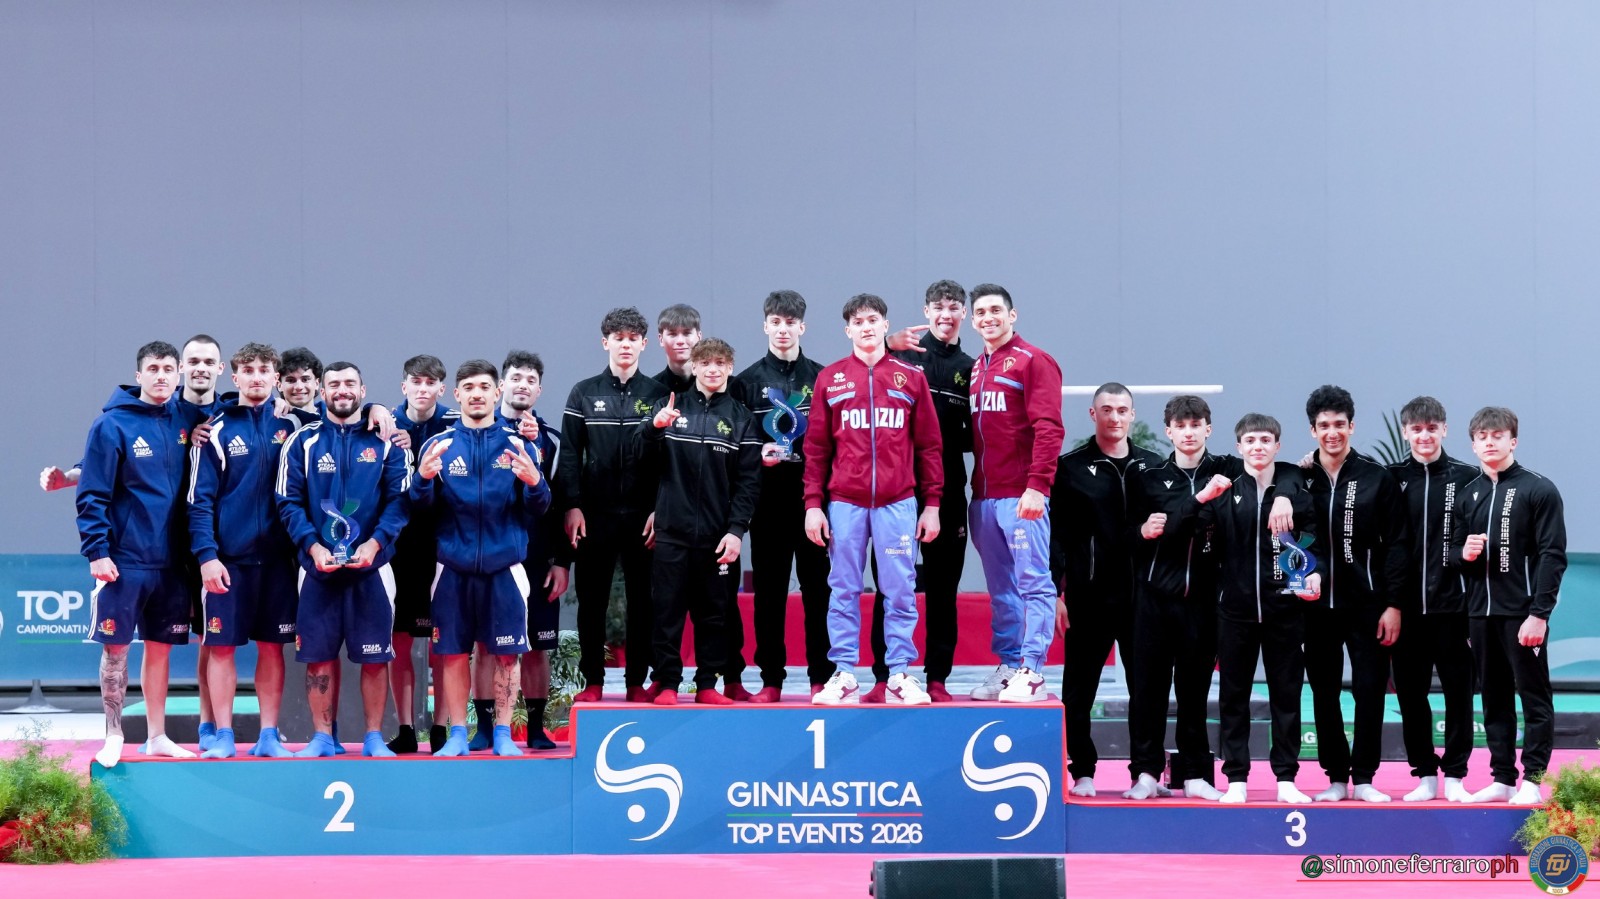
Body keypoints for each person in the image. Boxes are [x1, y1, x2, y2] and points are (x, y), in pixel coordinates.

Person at [1120, 394, 1297, 800]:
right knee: (1147, 691)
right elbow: (1129, 535)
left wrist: (1286, 492)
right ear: (1169, 432)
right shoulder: (1150, 476)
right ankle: (1145, 773)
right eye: (1180, 426)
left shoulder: (1227, 469)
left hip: (1202, 602)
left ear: (1208, 429)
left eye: (1195, 425)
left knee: (1195, 691)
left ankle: (1197, 773)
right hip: (1153, 599)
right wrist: (1143, 531)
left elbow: (1278, 469)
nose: (1188, 432)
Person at [805, 295, 943, 705]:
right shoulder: (830, 379)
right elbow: (816, 449)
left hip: (897, 503)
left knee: (899, 590)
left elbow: (929, 446)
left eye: (873, 320)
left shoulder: (910, 378)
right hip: (844, 503)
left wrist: (932, 504)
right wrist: (813, 505)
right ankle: (844, 674)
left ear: (885, 326)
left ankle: (899, 674)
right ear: (847, 330)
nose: (866, 327)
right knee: (843, 589)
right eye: (858, 321)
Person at [1175, 413, 1320, 804]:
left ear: (1277, 445)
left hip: (1284, 610)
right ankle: (1236, 778)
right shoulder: (1225, 490)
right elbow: (1198, 537)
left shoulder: (1294, 490)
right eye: (1251, 440)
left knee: (1286, 697)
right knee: (1233, 698)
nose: (1258, 447)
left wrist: (1314, 574)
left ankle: (1286, 779)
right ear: (1239, 447)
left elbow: (1312, 541)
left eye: (1265, 440)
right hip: (1234, 612)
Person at [411, 360, 550, 756]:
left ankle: (503, 733)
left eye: (484, 387)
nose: (476, 394)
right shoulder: (437, 445)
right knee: (454, 653)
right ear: (457, 395)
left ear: (497, 392)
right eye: (469, 387)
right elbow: (419, 509)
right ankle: (458, 733)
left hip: (504, 567)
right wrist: (421, 480)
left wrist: (535, 483)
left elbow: (540, 506)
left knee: (507, 654)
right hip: (452, 568)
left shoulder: (518, 444)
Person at [276, 362, 411, 757]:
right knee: (318, 657)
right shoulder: (301, 442)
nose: (342, 390)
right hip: (317, 570)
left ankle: (373, 737)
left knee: (375, 658)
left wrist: (375, 544)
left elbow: (400, 501)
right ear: (322, 392)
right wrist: (312, 547)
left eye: (350, 383)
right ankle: (322, 737)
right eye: (334, 384)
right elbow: (287, 502)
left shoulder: (386, 442)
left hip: (372, 570)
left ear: (363, 390)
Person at [77, 341, 199, 767]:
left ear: (178, 374)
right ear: (139, 374)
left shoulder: (187, 418)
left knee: (160, 649)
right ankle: (113, 734)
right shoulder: (111, 425)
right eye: (153, 368)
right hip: (124, 559)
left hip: (173, 562)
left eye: (168, 368)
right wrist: (97, 551)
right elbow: (92, 493)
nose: (161, 376)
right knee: (116, 651)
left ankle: (157, 735)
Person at [186, 342, 305, 758]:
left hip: (279, 562)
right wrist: (207, 556)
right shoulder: (214, 430)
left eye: (264, 370)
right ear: (234, 377)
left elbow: (344, 416)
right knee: (221, 648)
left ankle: (268, 735)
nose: (256, 377)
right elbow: (198, 501)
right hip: (228, 562)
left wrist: (377, 410)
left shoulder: (294, 427)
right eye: (248, 370)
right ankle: (223, 735)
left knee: (273, 648)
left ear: (276, 378)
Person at [865, 279, 974, 703]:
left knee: (944, 590)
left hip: (948, 493)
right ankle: (885, 676)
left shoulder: (972, 367)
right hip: (896, 490)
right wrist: (885, 346)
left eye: (954, 307)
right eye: (938, 307)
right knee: (890, 587)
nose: (946, 315)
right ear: (927, 311)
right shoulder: (901, 354)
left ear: (963, 314)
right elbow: (858, 372)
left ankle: (937, 678)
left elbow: (976, 435)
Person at [1451, 407, 1566, 806]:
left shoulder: (1539, 489)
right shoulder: (1469, 494)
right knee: (1493, 699)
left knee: (1534, 697)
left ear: (1512, 440)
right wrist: (1463, 553)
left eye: (1497, 435)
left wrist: (1539, 614)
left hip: (1522, 614)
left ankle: (1532, 780)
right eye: (1482, 437)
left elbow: (1552, 555)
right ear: (1473, 445)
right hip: (1479, 615)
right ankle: (1502, 778)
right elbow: (1453, 555)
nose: (1489, 442)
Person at [638, 338, 762, 705]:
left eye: (720, 363)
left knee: (715, 616)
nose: (712, 369)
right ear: (693, 367)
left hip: (717, 538)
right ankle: (668, 683)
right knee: (666, 613)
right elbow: (640, 458)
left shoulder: (741, 418)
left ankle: (708, 684)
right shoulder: (668, 407)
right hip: (671, 533)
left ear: (729, 368)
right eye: (705, 362)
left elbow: (749, 483)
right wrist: (654, 428)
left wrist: (736, 531)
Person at [1051, 383, 1161, 796]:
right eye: (1107, 409)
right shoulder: (1071, 468)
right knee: (1079, 691)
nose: (1115, 417)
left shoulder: (1154, 466)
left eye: (1122, 410)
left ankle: (1145, 772)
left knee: (1147, 689)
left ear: (1132, 415)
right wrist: (1054, 592)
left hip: (1143, 599)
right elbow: (1056, 536)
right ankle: (1082, 770)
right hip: (1089, 597)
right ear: (1093, 414)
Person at [1301, 385, 1409, 803]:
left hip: (1368, 605)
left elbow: (1397, 544)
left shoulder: (1376, 478)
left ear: (1352, 426)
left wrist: (1393, 604)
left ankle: (1364, 777)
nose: (1333, 432)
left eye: (1340, 424)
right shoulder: (1299, 478)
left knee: (1369, 689)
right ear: (1312, 430)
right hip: (1315, 609)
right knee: (1323, 692)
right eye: (1324, 425)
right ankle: (1335, 777)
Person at [559, 308, 669, 702]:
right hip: (595, 514)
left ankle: (636, 681)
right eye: (618, 338)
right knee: (592, 601)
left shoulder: (657, 395)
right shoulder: (584, 392)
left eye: (632, 338)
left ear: (644, 344)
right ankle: (593, 682)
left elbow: (668, 459)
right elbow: (569, 454)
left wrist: (660, 508)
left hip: (643, 516)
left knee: (644, 601)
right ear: (605, 342)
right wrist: (572, 506)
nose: (625, 345)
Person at [965, 284, 1064, 704]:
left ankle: (1033, 670)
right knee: (1002, 590)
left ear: (1012, 315)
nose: (988, 318)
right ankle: (1009, 666)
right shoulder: (976, 368)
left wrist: (1037, 486)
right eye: (980, 312)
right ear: (973, 321)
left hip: (1022, 496)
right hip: (984, 498)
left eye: (995, 310)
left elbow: (1049, 428)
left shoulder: (1033, 360)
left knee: (1033, 585)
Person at [733, 290, 830, 700]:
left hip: (813, 503)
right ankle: (771, 679)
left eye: (790, 323)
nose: (783, 329)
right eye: (776, 322)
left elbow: (833, 442)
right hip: (767, 503)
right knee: (769, 594)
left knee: (818, 592)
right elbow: (736, 444)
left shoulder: (823, 378)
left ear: (802, 326)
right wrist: (758, 454)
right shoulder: (745, 383)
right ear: (765, 326)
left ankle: (821, 676)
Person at [1386, 396, 1479, 803]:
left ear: (1444, 429)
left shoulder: (1469, 478)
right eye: (1417, 429)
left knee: (1460, 694)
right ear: (1406, 432)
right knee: (1410, 696)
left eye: (1431, 428)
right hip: (1406, 611)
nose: (1424, 436)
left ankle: (1456, 773)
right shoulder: (1390, 479)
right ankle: (1424, 773)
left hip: (1454, 609)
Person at [383, 354, 458, 754]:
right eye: (416, 381)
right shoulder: (385, 423)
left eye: (431, 383)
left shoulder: (457, 424)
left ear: (442, 389)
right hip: (398, 548)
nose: (423, 388)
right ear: (404, 386)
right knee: (398, 641)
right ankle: (407, 728)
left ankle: (442, 728)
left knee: (440, 642)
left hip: (444, 546)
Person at [498, 351, 569, 748]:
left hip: (538, 557)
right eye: (516, 378)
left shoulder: (551, 441)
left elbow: (561, 504)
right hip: (493, 556)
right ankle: (489, 729)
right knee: (489, 647)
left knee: (537, 647)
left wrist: (561, 561)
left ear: (539, 390)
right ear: (501, 385)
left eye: (530, 380)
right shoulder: (480, 431)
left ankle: (537, 728)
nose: (522, 385)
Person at [653, 304, 702, 396]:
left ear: (699, 337)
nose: (680, 341)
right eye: (672, 334)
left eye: (687, 333)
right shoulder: (650, 391)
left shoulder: (721, 386)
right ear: (661, 339)